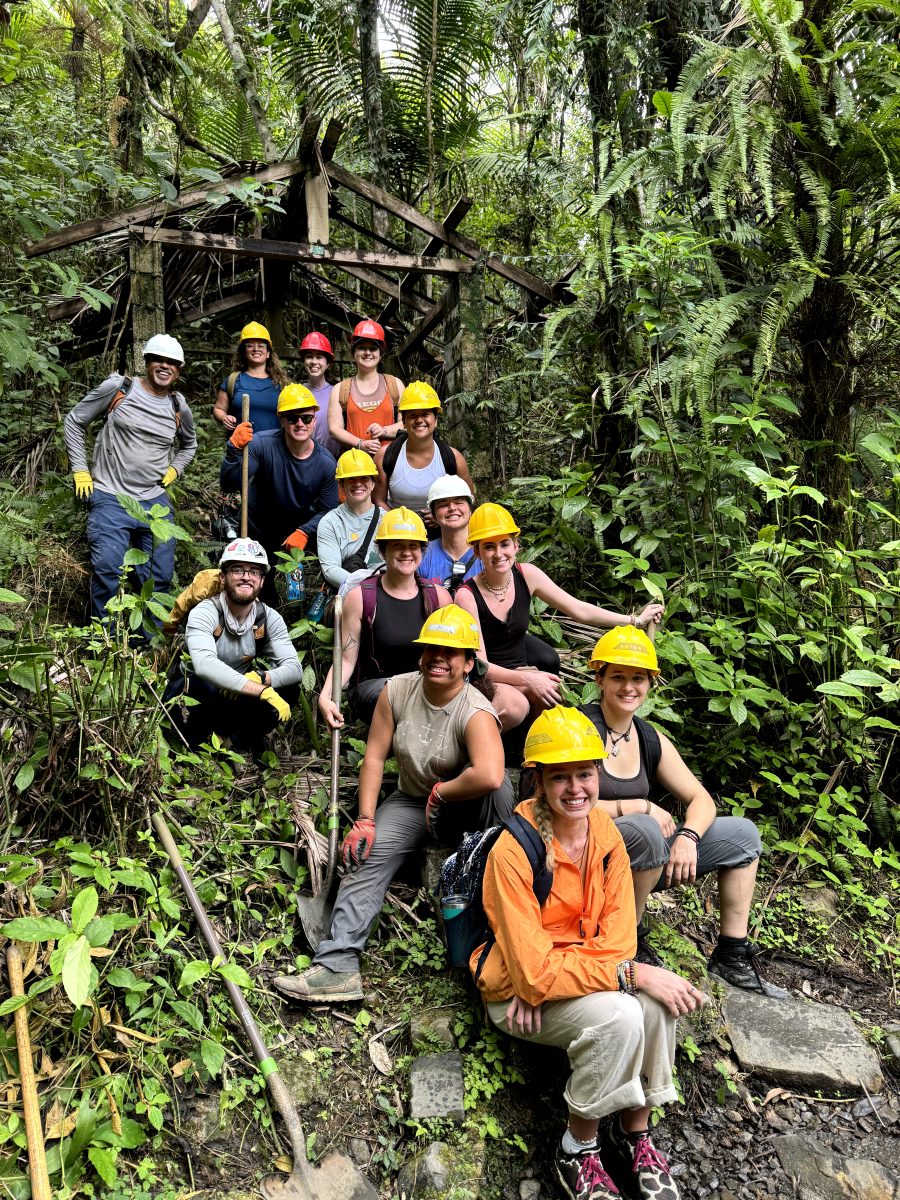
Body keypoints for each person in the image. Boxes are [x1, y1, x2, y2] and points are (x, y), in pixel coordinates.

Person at [474, 706, 701, 1200]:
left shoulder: (605, 837)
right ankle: (577, 1148)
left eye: (585, 773)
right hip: (512, 994)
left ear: (599, 774)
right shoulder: (514, 853)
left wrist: (575, 971)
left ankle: (635, 1131)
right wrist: (624, 974)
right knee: (623, 1010)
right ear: (537, 781)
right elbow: (532, 975)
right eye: (561, 777)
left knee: (655, 1001)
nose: (576, 788)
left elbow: (620, 943)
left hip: (559, 982)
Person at [274, 604, 514, 1003]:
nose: (438, 658)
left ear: (469, 663)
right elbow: (373, 756)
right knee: (365, 853)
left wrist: (444, 792)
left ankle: (499, 923)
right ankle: (338, 968)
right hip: (412, 800)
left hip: (468, 802)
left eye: (450, 652)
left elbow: (488, 774)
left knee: (501, 787)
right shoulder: (398, 690)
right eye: (431, 649)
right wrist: (365, 819)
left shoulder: (474, 710)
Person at [582, 626, 789, 999]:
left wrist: (688, 837)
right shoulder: (578, 728)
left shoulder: (648, 737)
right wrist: (636, 805)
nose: (629, 687)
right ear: (599, 678)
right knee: (645, 827)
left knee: (743, 835)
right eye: (618, 677)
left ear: (650, 685)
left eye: (638, 678)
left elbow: (701, 799)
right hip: (585, 864)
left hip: (644, 862)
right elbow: (548, 804)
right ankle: (629, 941)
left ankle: (730, 953)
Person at [456, 504, 663, 719]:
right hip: (488, 679)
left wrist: (635, 620)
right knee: (515, 706)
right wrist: (526, 679)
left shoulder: (527, 575)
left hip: (521, 670)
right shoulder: (467, 595)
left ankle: (528, 751)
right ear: (477, 552)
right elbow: (479, 665)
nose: (499, 553)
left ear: (516, 546)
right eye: (489, 547)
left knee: (550, 698)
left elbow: (579, 609)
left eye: (504, 544)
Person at [64, 333, 197, 618]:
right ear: (146, 362)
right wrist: (80, 469)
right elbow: (75, 421)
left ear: (179, 370)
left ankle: (151, 649)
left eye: (172, 362)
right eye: (158, 360)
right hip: (111, 497)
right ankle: (106, 642)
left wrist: (175, 468)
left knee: (159, 578)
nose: (164, 366)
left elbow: (189, 445)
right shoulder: (119, 388)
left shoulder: (178, 406)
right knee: (108, 571)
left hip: (154, 502)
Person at [317, 507, 451, 727]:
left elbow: (451, 655)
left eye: (413, 546)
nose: (406, 553)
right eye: (397, 545)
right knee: (402, 693)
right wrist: (326, 695)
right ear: (382, 551)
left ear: (422, 551)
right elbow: (346, 659)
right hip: (375, 689)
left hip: (427, 686)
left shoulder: (438, 597)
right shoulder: (361, 597)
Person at [168, 538, 302, 754]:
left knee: (289, 688)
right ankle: (197, 751)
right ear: (223, 577)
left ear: (262, 581)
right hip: (189, 700)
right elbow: (204, 665)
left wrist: (261, 678)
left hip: (231, 700)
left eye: (254, 572)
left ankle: (232, 747)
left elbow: (294, 668)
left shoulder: (268, 618)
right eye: (237, 570)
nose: (246, 577)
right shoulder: (205, 612)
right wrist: (258, 690)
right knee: (201, 684)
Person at [220, 384, 338, 603]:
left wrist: (305, 531)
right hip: (257, 530)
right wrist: (234, 449)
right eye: (292, 418)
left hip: (294, 535)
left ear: (315, 419)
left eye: (306, 418)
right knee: (259, 593)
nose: (300, 423)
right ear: (282, 421)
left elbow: (328, 510)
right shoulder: (261, 445)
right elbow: (230, 484)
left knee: (296, 596)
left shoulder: (326, 464)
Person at [372, 383, 474, 533]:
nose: (419, 420)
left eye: (425, 414)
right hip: (398, 532)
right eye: (413, 415)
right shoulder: (385, 456)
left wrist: (443, 517)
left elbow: (469, 500)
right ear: (404, 422)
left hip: (443, 533)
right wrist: (401, 521)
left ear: (435, 420)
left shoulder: (452, 458)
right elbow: (378, 500)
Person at [327, 319, 404, 455]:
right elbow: (334, 429)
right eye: (362, 347)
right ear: (354, 352)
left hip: (389, 463)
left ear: (380, 354)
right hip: (355, 468)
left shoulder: (395, 384)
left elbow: (407, 423)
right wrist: (360, 444)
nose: (367, 352)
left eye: (373, 348)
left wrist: (384, 430)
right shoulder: (340, 389)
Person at [315, 448, 385, 593]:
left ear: (373, 484)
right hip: (349, 595)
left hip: (385, 591)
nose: (358, 484)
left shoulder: (388, 520)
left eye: (364, 478)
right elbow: (330, 569)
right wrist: (365, 587)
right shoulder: (330, 522)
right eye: (351, 479)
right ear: (342, 485)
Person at [212, 322, 290, 434]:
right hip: (241, 447)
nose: (256, 349)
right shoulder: (233, 380)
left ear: (268, 353)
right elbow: (219, 409)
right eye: (250, 345)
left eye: (261, 346)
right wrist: (225, 417)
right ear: (244, 352)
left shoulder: (281, 383)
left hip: (274, 448)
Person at [418, 475, 483, 594]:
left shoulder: (486, 552)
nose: (452, 508)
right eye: (443, 505)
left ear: (470, 510)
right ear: (433, 515)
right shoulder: (422, 555)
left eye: (459, 502)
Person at [298, 331, 340, 457]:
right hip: (303, 458)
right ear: (304, 361)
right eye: (309, 356)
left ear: (328, 363)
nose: (314, 361)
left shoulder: (337, 391)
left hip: (334, 460)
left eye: (319, 357)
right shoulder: (297, 393)